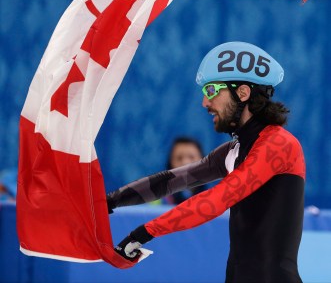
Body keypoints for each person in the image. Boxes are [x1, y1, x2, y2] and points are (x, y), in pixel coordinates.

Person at [107, 42, 305, 282]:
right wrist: (109, 201)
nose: (204, 102)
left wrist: (142, 233)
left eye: (211, 91)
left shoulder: (279, 144)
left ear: (243, 93)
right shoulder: (235, 149)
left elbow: (216, 199)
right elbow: (171, 181)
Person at [163, 137, 207, 205]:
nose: (185, 163)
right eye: (179, 158)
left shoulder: (214, 195)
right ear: (170, 164)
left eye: (191, 157)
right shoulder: (159, 198)